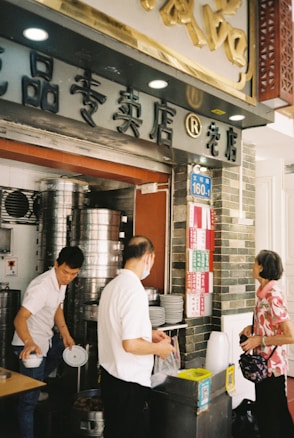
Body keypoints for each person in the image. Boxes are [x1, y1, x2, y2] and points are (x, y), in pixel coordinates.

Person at [98, 235, 175, 438]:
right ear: (148, 257)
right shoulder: (134, 290)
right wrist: (160, 349)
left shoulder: (112, 286)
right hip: (128, 382)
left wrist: (148, 334)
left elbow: (117, 327)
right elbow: (130, 344)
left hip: (110, 377)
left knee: (114, 431)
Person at [12, 245, 84, 438]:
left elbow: (56, 307)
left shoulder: (61, 283)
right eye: (65, 272)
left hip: (46, 340)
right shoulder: (42, 286)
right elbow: (19, 318)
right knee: (28, 403)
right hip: (28, 345)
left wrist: (65, 334)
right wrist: (28, 342)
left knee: (63, 349)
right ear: (55, 265)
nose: (68, 277)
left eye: (73, 274)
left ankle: (35, 384)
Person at [240, 249, 294, 438]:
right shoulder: (263, 294)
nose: (252, 266)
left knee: (272, 416)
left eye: (255, 262)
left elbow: (290, 335)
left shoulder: (273, 296)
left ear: (262, 267)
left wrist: (259, 339)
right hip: (262, 366)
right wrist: (251, 328)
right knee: (270, 411)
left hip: (273, 367)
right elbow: (271, 324)